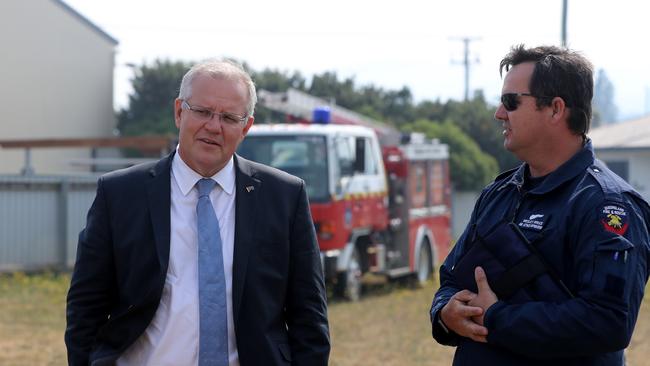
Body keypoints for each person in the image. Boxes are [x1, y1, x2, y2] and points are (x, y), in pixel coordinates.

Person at [65, 59, 330, 366]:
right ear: (179, 112)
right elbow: (86, 306)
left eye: (229, 117)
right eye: (202, 111)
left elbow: (309, 316)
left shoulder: (284, 197)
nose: (213, 126)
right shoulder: (121, 194)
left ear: (246, 127)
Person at [430, 44, 650, 365]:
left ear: (555, 109)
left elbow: (608, 321)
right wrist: (444, 312)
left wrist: (497, 317)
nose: (499, 113)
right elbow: (451, 279)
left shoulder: (606, 204)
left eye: (510, 102)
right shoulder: (499, 193)